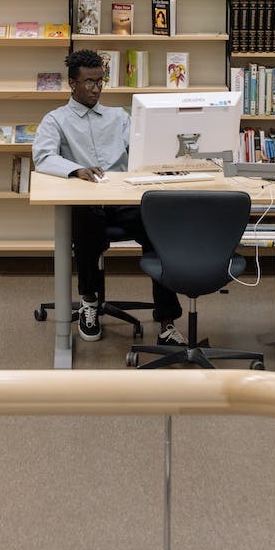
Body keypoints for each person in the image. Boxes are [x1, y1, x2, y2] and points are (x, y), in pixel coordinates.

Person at [33, 50, 186, 346]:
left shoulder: (119, 117)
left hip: (124, 201)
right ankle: (89, 302)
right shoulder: (56, 120)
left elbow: (143, 152)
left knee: (159, 230)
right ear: (72, 84)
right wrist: (75, 169)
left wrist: (163, 166)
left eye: (100, 81)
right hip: (88, 206)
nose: (96, 88)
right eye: (88, 82)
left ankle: (166, 320)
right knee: (86, 230)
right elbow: (42, 157)